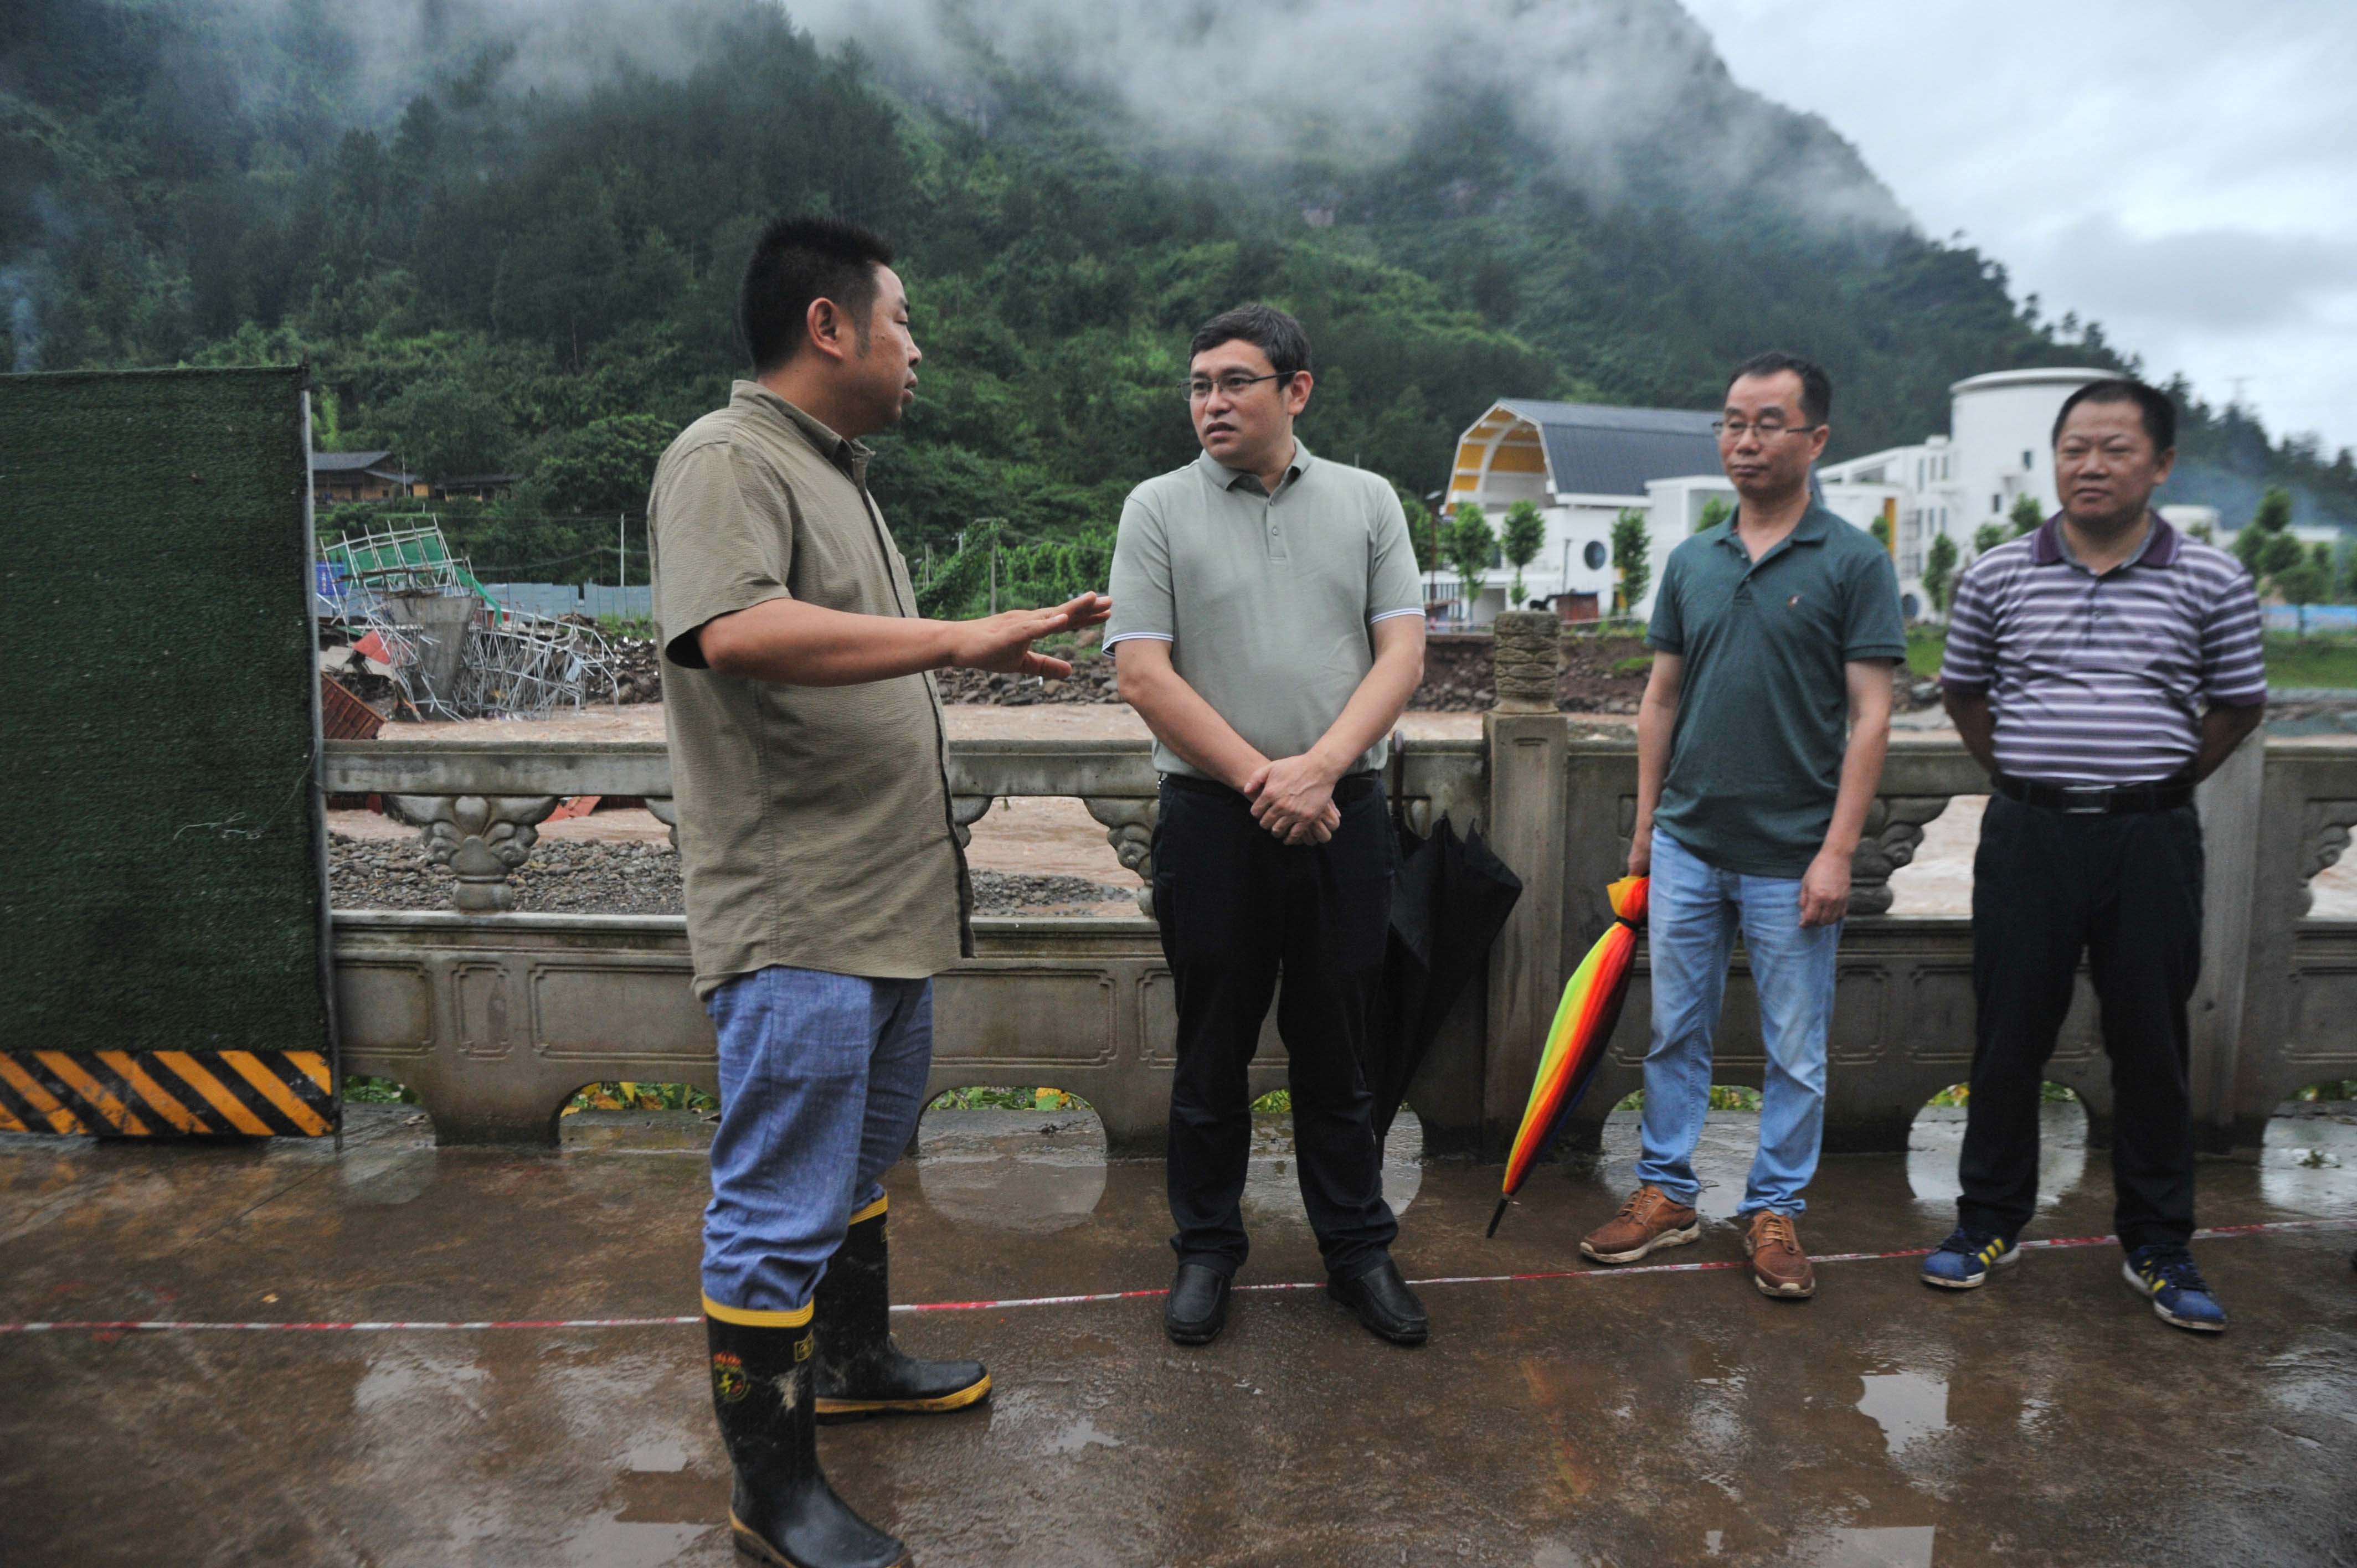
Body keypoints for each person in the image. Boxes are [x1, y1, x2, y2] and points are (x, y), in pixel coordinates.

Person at [650, 214, 1110, 1568]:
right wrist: (960, 634)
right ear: (829, 326)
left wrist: (952, 665)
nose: (918, 348)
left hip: (880, 905)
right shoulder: (725, 459)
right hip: (800, 913)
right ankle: (771, 1493)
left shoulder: (832, 470)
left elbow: (844, 645)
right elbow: (736, 632)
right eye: (903, 320)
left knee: (856, 1157)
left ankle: (845, 1360)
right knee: (779, 1194)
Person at [1106, 303, 1431, 1347]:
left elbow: (1402, 656)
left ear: (1297, 389)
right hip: (1213, 817)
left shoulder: (1368, 500)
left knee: (1340, 1045)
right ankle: (1207, 1249)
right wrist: (1265, 779)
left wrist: (1324, 768)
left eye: (1234, 382)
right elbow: (1143, 673)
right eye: (1198, 384)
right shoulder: (1155, 507)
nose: (1210, 403)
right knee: (1211, 1050)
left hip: (1346, 812)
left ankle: (1356, 1249)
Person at [1920, 378, 2265, 1332]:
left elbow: (2238, 705)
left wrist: (2150, 782)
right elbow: (1965, 694)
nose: (2092, 465)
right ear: (2055, 458)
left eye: (2116, 448)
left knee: (2152, 1041)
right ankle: (1989, 1220)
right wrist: (2033, 776)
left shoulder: (2210, 579)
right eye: (2075, 447)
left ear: (2159, 464)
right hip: (2030, 836)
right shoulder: (1996, 574)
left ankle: (2159, 1243)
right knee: (2008, 1034)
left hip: (2151, 840)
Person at [1579, 352, 1904, 1300]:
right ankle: (1667, 1193)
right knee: (1676, 1028)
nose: (1745, 440)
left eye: (1767, 422)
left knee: (1794, 1047)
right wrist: (1646, 830)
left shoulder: (1853, 561)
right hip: (1687, 842)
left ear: (1816, 439)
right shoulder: (1693, 560)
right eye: (1731, 422)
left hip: (1794, 854)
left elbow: (1873, 716)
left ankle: (1774, 1211)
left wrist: (1839, 851)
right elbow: (1660, 702)